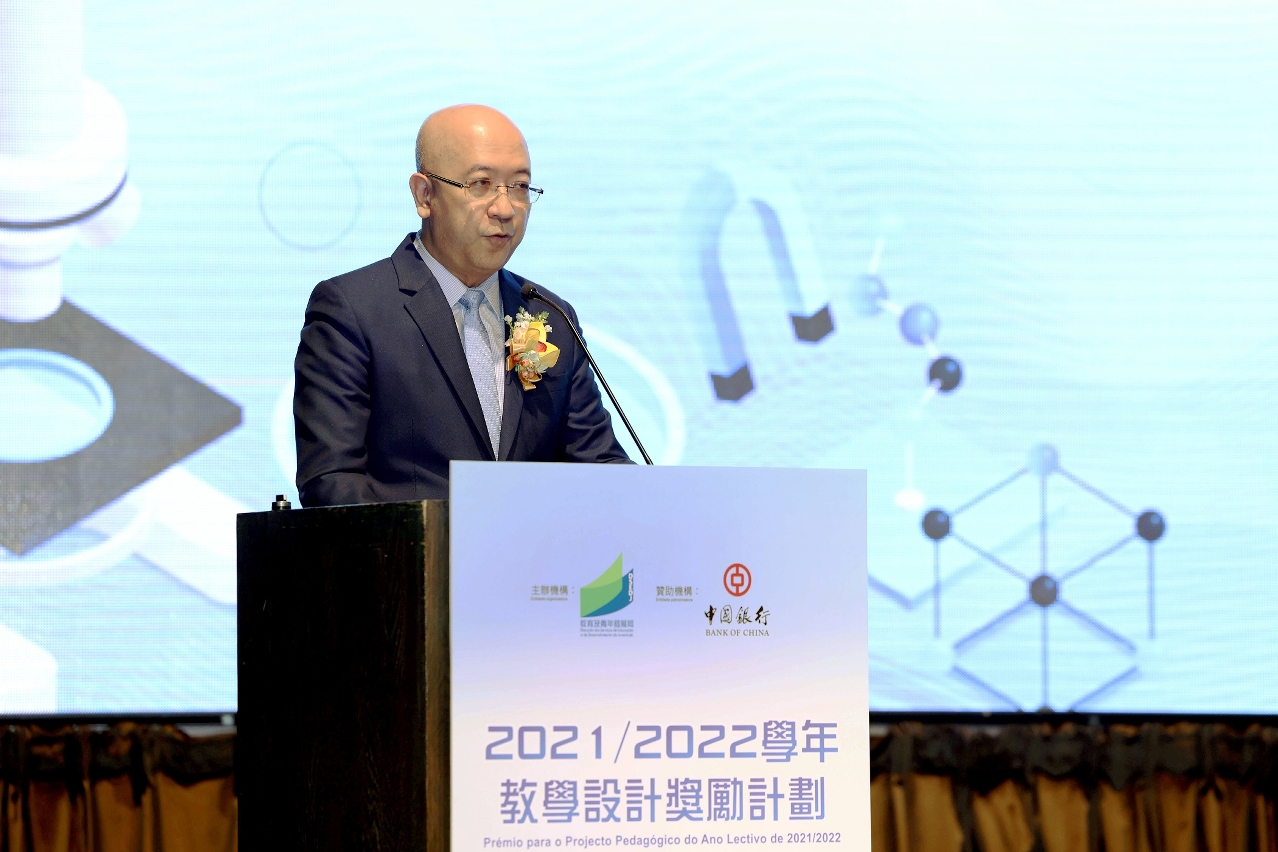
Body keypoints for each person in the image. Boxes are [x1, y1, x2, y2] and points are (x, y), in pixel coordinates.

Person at [293, 104, 630, 507]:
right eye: (481, 184)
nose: (505, 208)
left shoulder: (552, 317)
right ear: (425, 195)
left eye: (520, 186)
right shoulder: (354, 310)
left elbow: (600, 467)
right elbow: (331, 484)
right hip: (410, 548)